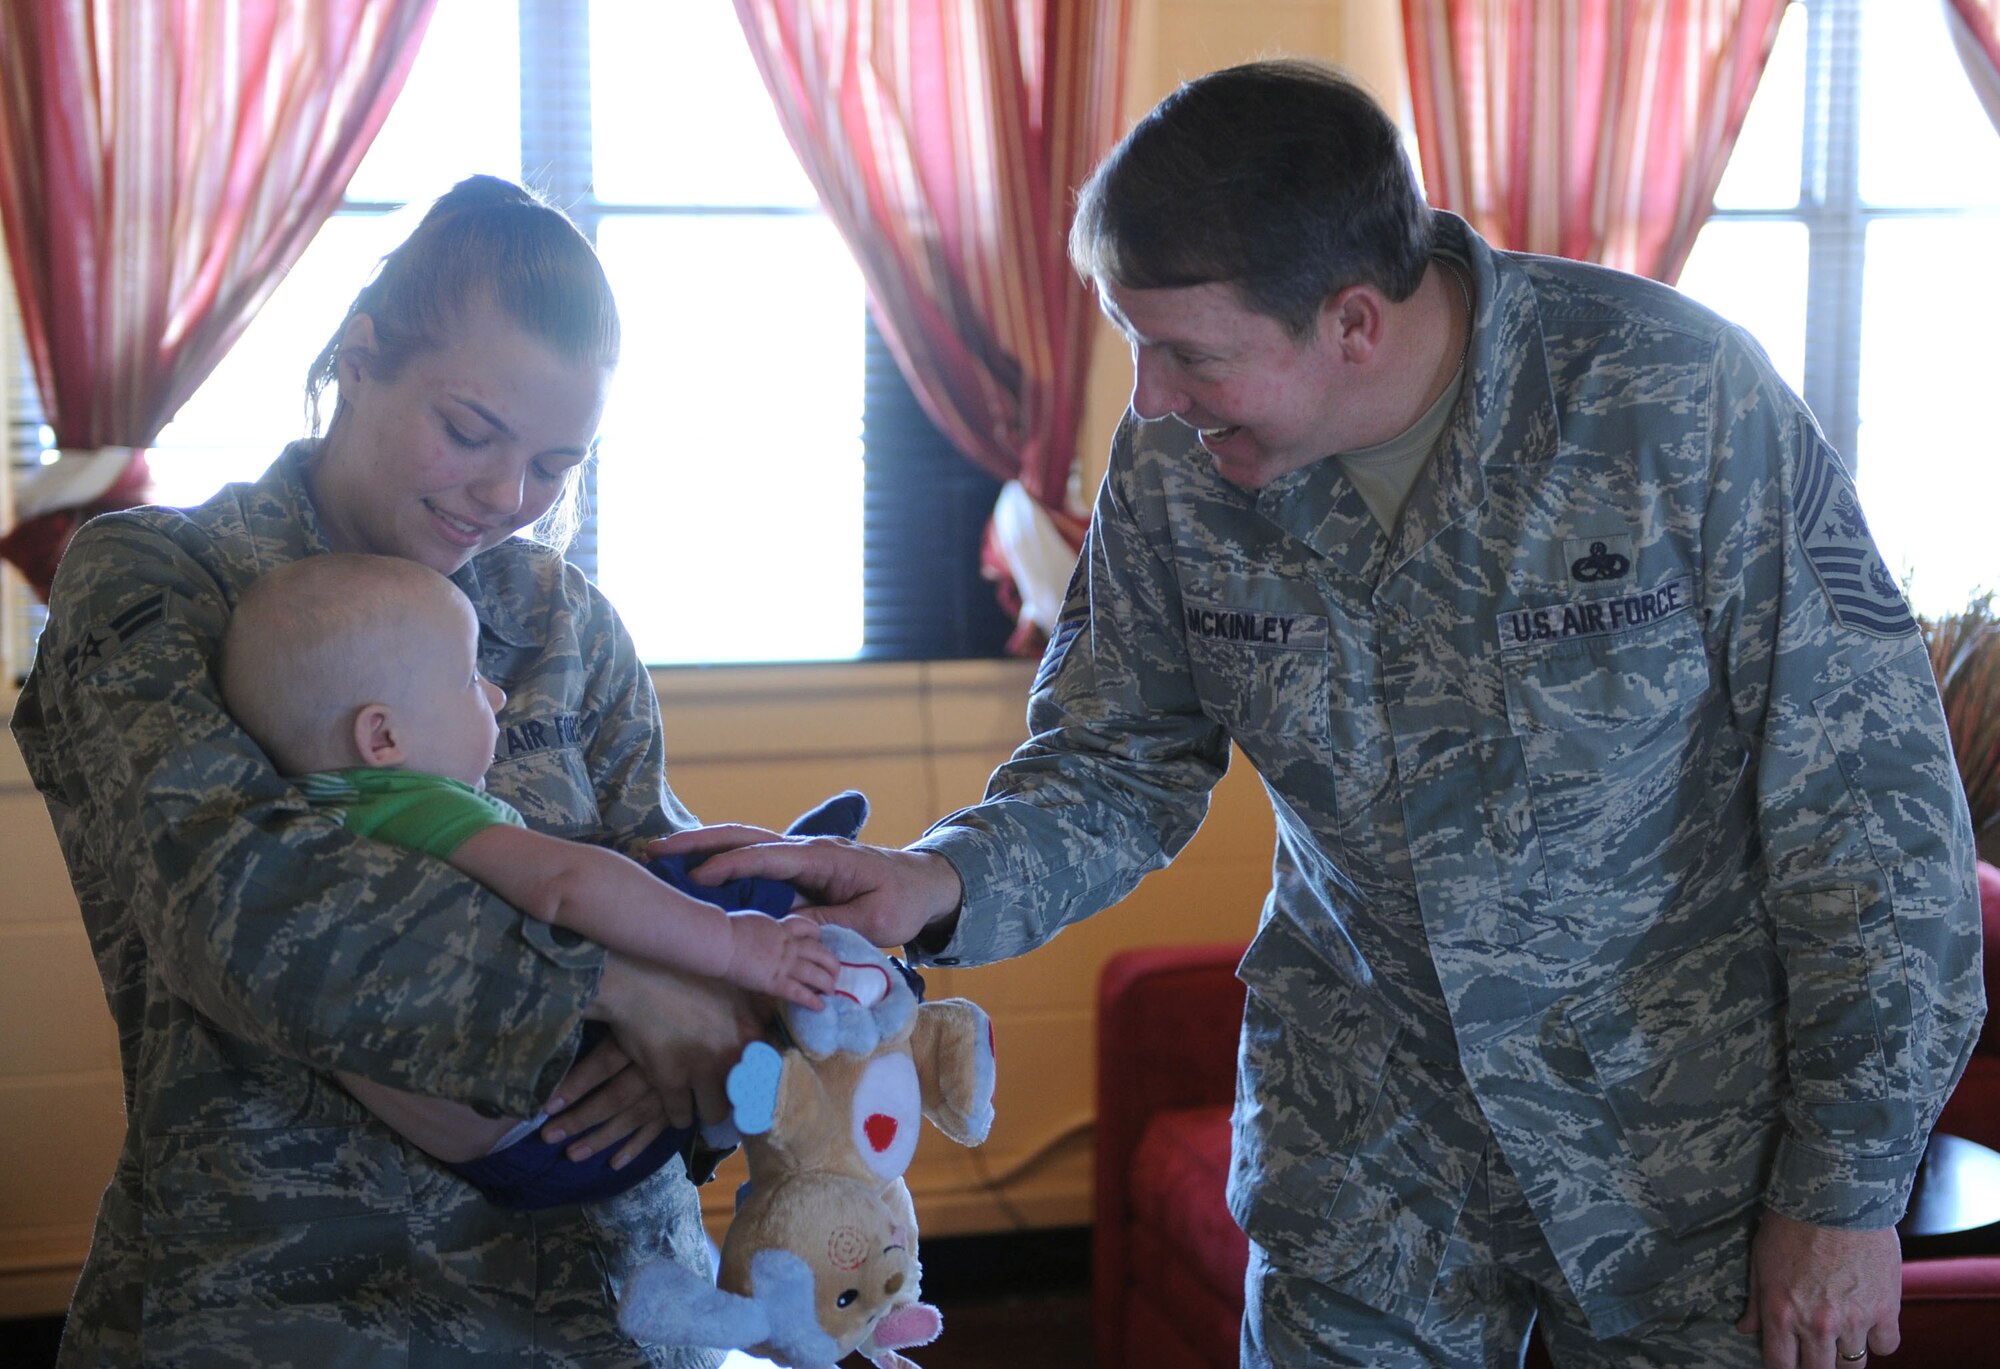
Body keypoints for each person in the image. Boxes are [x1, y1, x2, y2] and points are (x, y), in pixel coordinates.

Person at [662, 61, 1987, 1369]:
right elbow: (1121, 756)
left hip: (1682, 1151)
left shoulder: (1673, 399)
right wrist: (936, 879)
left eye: (1187, 353)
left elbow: (1872, 819)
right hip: (1367, 1147)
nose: (1152, 401)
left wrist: (1844, 1188)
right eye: (1137, 345)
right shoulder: (1181, 463)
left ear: (1354, 322)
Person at [12, 174, 763, 1366]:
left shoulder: (559, 618)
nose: (505, 496)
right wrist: (610, 981)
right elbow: (246, 912)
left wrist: (724, 1023)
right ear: (359, 360)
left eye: (554, 464)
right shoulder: (161, 584)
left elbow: (674, 890)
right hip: (294, 1304)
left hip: (613, 1310)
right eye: (469, 432)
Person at [214, 551, 843, 1209]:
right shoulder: (410, 804)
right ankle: (805, 909)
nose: (497, 694)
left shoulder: (310, 818)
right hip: (560, 1112)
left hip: (511, 1152)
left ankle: (753, 1081)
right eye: (468, 679)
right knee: (698, 884)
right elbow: (566, 883)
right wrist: (733, 943)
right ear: (383, 736)